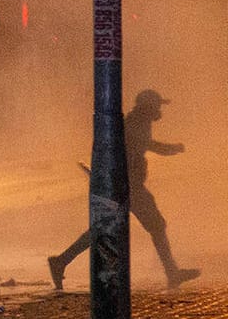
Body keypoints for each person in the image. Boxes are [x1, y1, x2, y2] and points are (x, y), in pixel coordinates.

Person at [49, 89, 200, 291]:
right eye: (157, 106)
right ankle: (172, 273)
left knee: (104, 229)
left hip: (122, 184)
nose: (159, 110)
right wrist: (173, 149)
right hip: (128, 186)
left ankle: (61, 261)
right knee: (155, 225)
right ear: (149, 106)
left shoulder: (136, 122)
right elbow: (142, 148)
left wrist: (170, 149)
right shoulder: (136, 124)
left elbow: (145, 145)